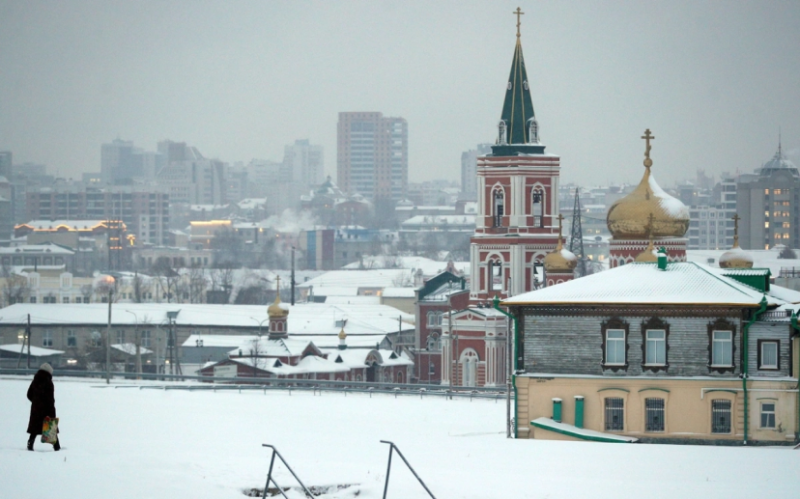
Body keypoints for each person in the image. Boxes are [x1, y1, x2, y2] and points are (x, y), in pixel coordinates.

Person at [27, 363, 60, 451]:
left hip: (36, 409)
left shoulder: (35, 380)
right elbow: (50, 399)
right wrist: (51, 410)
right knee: (51, 428)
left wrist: (36, 402)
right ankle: (57, 448)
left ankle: (30, 445)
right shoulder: (48, 382)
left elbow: (29, 394)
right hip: (47, 409)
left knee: (35, 428)